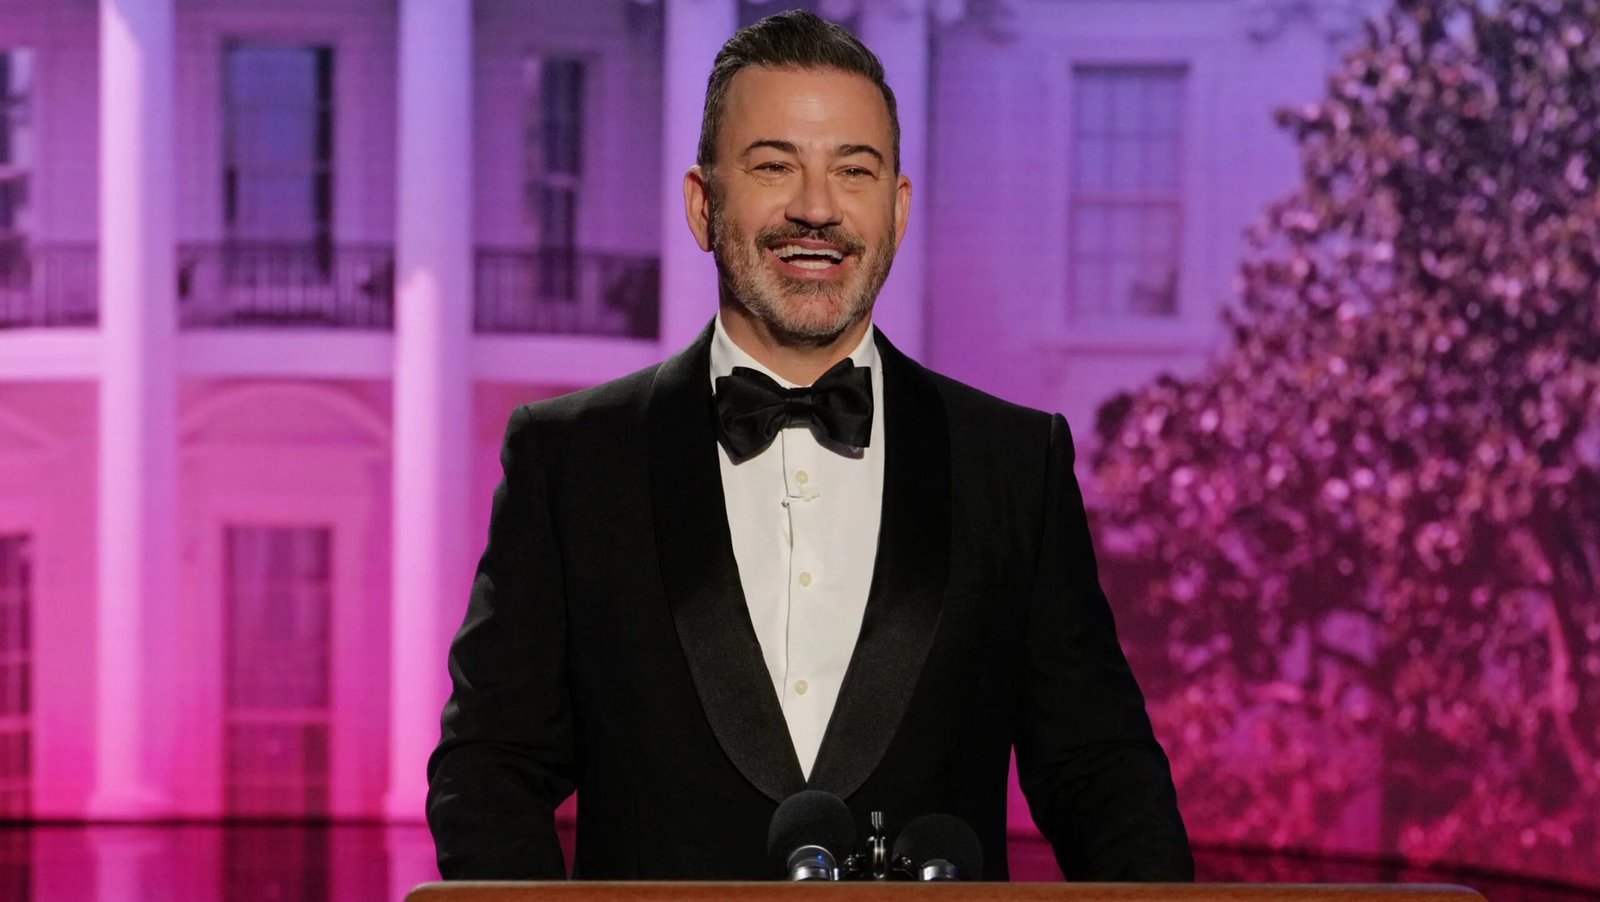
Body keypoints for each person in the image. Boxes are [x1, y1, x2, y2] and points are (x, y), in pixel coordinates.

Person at [426, 10, 1192, 882]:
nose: (816, 208)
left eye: (853, 170)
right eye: (773, 165)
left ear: (897, 209)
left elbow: (1101, 776)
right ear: (703, 204)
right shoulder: (570, 460)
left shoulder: (1016, 465)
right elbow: (490, 769)